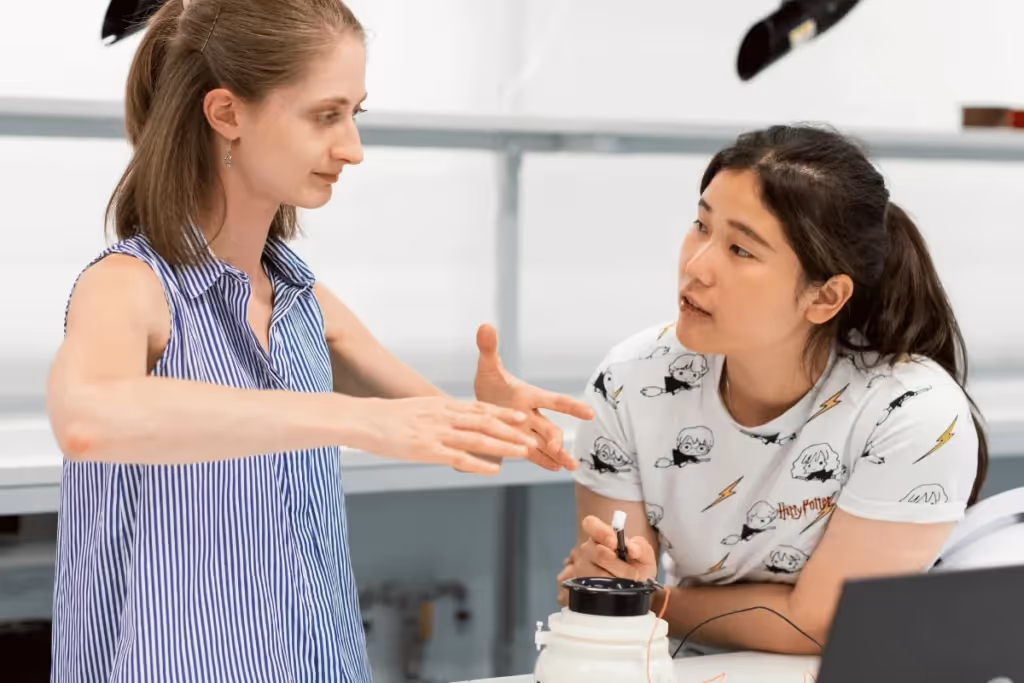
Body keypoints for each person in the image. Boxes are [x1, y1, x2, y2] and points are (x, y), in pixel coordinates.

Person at [46, 0, 593, 680]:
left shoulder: (303, 300)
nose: (352, 148)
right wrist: (349, 417)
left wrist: (493, 420)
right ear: (227, 113)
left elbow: (447, 437)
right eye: (325, 115)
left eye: (354, 114)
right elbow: (88, 420)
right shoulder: (129, 286)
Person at [558, 124, 987, 655]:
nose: (696, 266)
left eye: (741, 249)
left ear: (824, 297)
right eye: (701, 225)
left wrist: (652, 601)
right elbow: (613, 588)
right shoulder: (632, 380)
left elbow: (824, 624)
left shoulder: (911, 411)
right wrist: (616, 584)